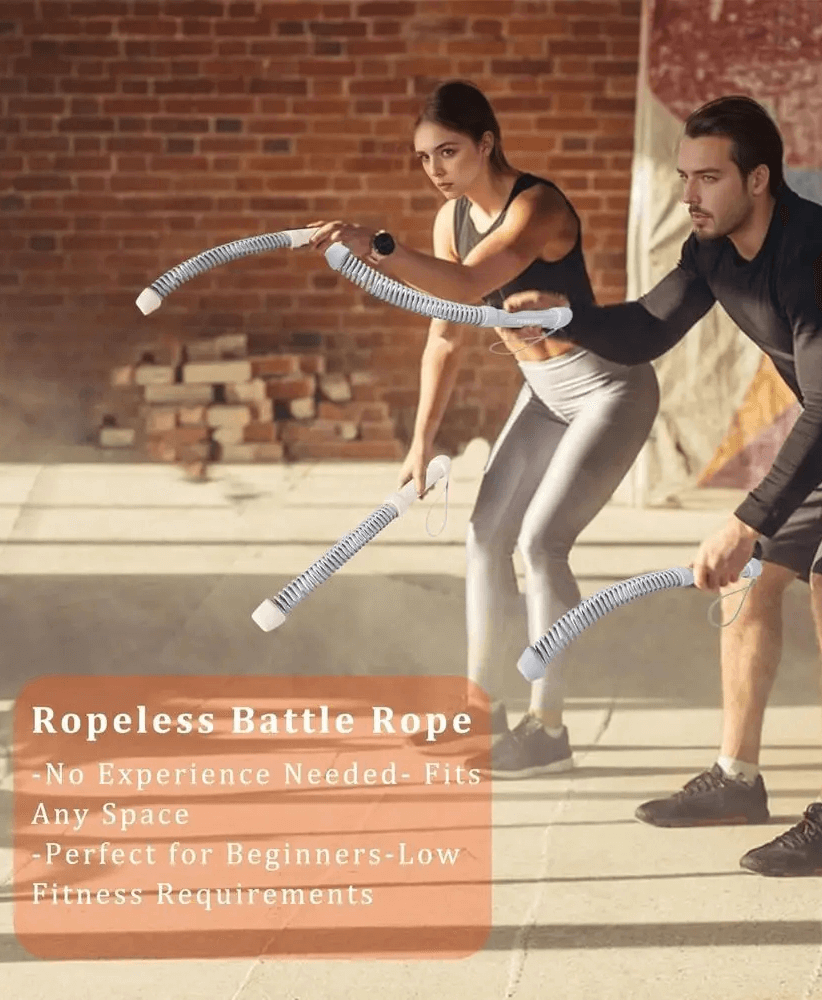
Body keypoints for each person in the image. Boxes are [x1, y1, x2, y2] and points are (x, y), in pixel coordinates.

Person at [504, 95, 822, 871]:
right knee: (746, 588)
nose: (690, 195)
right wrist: (567, 318)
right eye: (685, 177)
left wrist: (748, 519)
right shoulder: (712, 251)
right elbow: (650, 328)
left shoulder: (821, 254)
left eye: (709, 178)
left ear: (759, 179)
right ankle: (736, 778)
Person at [307, 80, 660, 778]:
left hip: (610, 388)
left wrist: (374, 245)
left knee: (542, 543)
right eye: (423, 158)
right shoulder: (452, 221)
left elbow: (470, 288)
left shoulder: (540, 205)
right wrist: (420, 442)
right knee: (484, 536)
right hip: (544, 392)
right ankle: (479, 711)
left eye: (448, 152)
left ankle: (547, 727)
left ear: (486, 144)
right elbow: (447, 333)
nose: (436, 169)